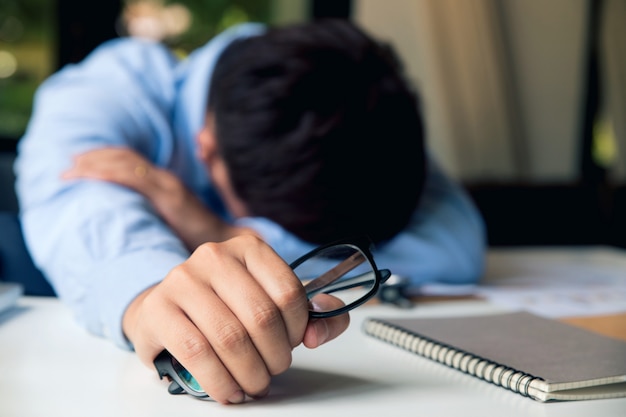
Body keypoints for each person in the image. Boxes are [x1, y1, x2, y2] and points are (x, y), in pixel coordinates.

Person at [14, 19, 485, 404]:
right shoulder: (110, 88)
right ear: (207, 150)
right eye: (265, 220)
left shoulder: (362, 114)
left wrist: (220, 228)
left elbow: (456, 249)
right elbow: (82, 207)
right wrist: (149, 300)